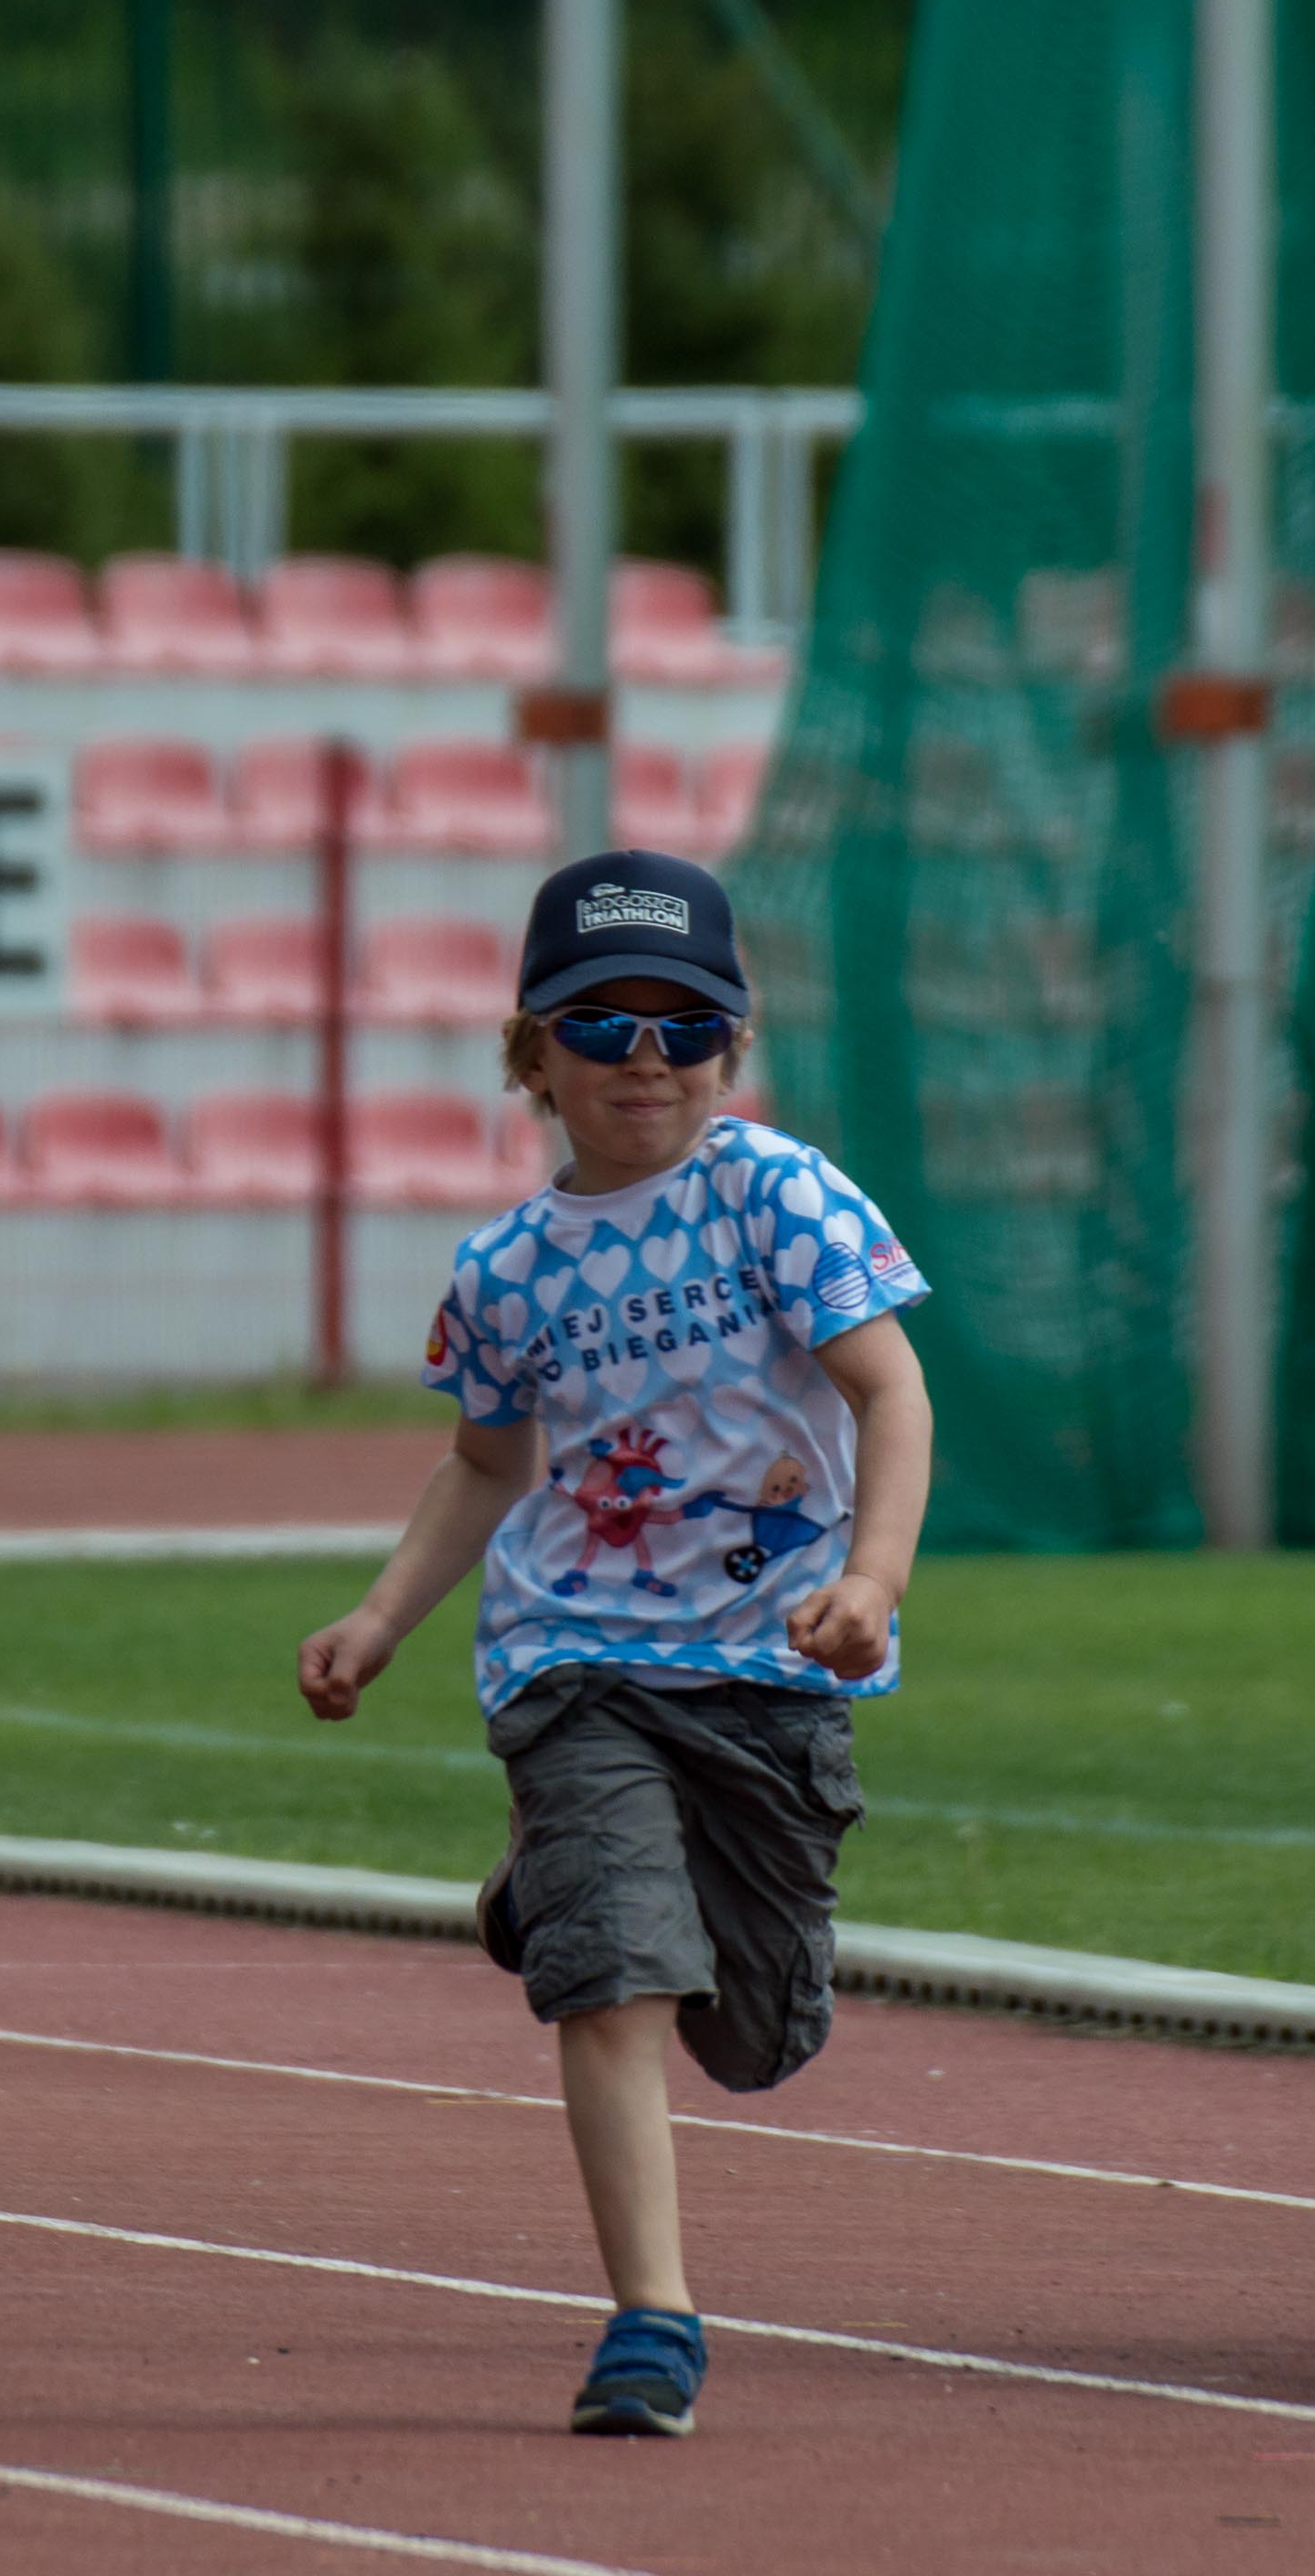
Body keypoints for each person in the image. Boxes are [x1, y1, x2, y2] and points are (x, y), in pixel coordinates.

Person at [296, 851, 934, 2439]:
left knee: (752, 2026)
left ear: (728, 1045)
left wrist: (869, 1580)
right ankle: (650, 2315)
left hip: (771, 1670)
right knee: (615, 1983)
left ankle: (551, 1895)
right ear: (532, 1050)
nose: (644, 1056)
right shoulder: (504, 1268)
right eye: (600, 1023)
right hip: (571, 1659)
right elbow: (485, 1464)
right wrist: (379, 1616)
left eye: (682, 1023)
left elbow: (889, 1391)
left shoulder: (774, 1194)